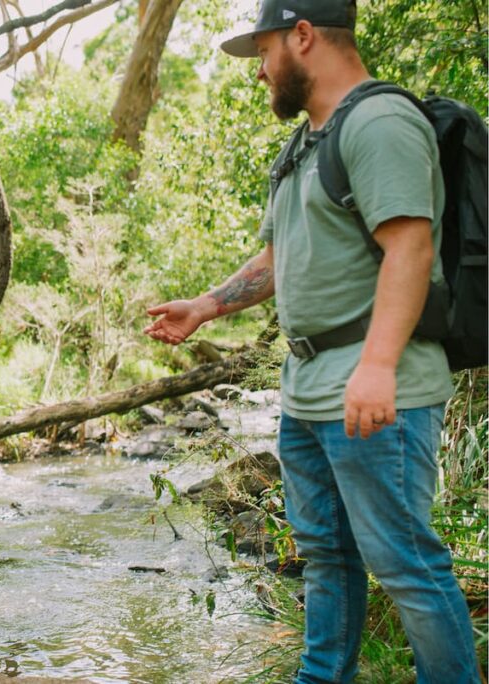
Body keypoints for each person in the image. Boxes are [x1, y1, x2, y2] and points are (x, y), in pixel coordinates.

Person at [145, 1, 479, 682]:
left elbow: (410, 249)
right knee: (326, 553)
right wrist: (206, 307)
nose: (260, 70)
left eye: (264, 51)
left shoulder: (381, 123)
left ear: (303, 36)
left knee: (405, 562)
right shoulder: (304, 143)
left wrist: (379, 365)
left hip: (376, 388)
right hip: (309, 390)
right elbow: (280, 255)